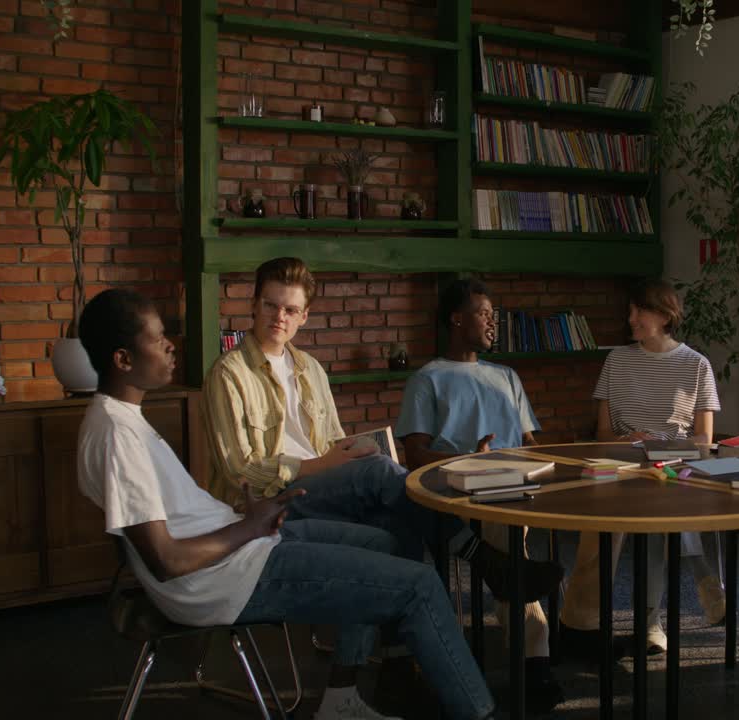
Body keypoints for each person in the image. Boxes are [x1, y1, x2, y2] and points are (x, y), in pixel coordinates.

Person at [76, 288, 496, 720]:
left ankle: (342, 697)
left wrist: (253, 523)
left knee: (386, 541)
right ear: (123, 359)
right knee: (419, 585)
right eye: (157, 338)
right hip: (223, 577)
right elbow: (167, 560)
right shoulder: (117, 435)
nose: (170, 346)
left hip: (241, 545)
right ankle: (478, 706)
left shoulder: (122, 421)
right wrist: (250, 525)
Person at [201, 257, 561, 605]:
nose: (280, 317)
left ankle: (400, 636)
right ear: (254, 304)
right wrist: (320, 465)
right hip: (266, 504)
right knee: (380, 474)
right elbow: (239, 471)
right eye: (270, 305)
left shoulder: (309, 369)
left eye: (290, 309)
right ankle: (483, 559)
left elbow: (333, 442)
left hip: (320, 489)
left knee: (394, 522)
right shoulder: (229, 373)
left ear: (304, 316)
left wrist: (357, 449)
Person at [395, 277, 565, 713]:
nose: (493, 322)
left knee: (507, 535)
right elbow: (414, 454)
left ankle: (529, 642)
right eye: (484, 314)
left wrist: (550, 465)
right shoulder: (427, 379)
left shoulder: (506, 376)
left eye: (494, 315)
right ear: (456, 319)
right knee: (507, 545)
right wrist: (469, 459)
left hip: (513, 488)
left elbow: (529, 443)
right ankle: (534, 661)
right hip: (456, 492)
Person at [560, 278, 725, 657]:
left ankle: (650, 622)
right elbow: (602, 434)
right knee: (609, 515)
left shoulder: (696, 365)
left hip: (675, 464)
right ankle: (702, 577)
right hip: (621, 463)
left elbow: (703, 440)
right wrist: (627, 440)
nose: (631, 318)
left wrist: (660, 446)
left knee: (659, 506)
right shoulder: (617, 360)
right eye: (630, 311)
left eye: (640, 311)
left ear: (665, 315)